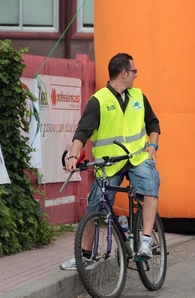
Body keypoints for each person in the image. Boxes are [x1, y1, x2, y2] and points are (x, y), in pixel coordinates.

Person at [60, 53, 161, 270]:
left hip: (136, 158)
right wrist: (72, 155)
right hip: (110, 162)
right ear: (123, 73)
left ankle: (145, 242)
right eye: (134, 71)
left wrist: (152, 145)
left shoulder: (138, 96)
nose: (136, 75)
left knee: (150, 185)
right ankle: (86, 256)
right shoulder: (99, 101)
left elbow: (153, 123)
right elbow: (82, 132)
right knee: (94, 206)